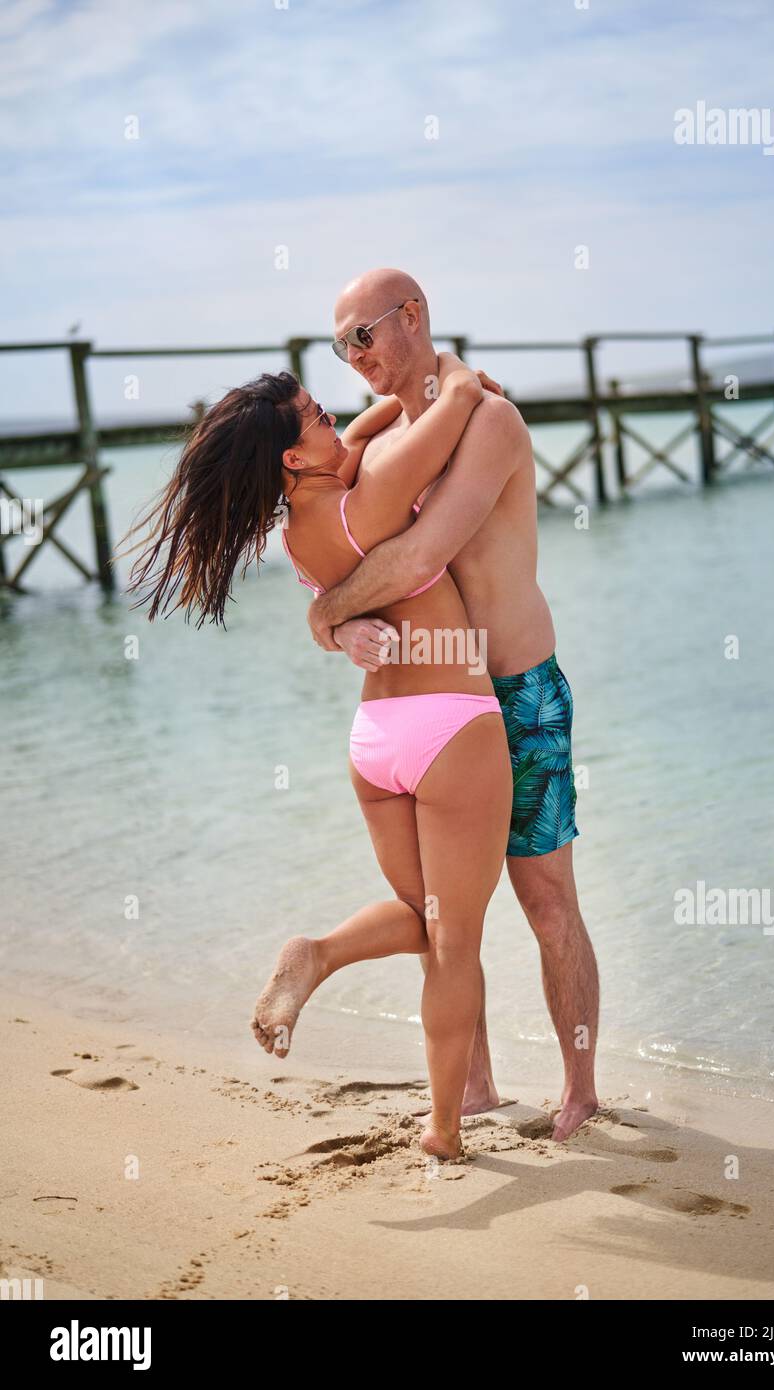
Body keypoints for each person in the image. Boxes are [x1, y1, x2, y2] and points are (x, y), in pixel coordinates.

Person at [124, 352, 512, 1160]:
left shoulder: (303, 536)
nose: (339, 417)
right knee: (453, 944)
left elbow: (372, 432)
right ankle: (444, 1127)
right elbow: (456, 407)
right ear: (294, 458)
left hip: (376, 745)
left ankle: (320, 952)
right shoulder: (369, 497)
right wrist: (453, 375)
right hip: (451, 726)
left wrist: (329, 622)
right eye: (318, 418)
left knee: (427, 923)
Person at [307, 268, 600, 1140]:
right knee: (444, 912)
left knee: (546, 902)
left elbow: (419, 552)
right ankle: (470, 1087)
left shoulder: (488, 420)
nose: (352, 356)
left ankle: (579, 1086)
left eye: (363, 334)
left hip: (516, 692)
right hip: (437, 697)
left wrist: (324, 615)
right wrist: (331, 628)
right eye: (339, 344)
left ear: (412, 317)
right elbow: (319, 511)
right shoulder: (390, 434)